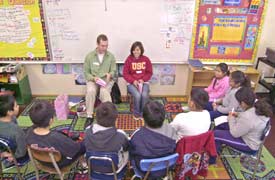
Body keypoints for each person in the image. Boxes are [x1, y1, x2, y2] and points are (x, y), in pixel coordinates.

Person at [26, 100, 85, 168]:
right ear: (51, 120)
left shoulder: (28, 132)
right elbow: (76, 148)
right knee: (83, 145)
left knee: (65, 138)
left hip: (41, 161)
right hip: (59, 163)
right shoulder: (57, 138)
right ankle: (84, 165)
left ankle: (70, 139)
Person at [214, 87, 273, 153]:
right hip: (251, 135)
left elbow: (234, 133)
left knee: (216, 135)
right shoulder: (257, 105)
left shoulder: (248, 117)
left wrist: (231, 118)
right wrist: (238, 114)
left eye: (239, 103)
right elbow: (250, 117)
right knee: (221, 126)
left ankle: (212, 158)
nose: (239, 105)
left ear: (243, 103)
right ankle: (216, 146)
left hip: (248, 145)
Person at [130, 101, 176, 178]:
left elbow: (131, 153)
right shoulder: (172, 131)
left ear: (143, 118)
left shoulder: (137, 135)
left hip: (143, 171)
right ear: (164, 117)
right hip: (165, 168)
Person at [84, 102, 129, 173]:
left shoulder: (87, 131)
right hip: (114, 170)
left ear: (96, 117)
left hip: (93, 168)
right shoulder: (121, 135)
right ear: (115, 119)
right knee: (127, 150)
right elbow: (127, 148)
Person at [84, 34, 117, 124]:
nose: (105, 48)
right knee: (90, 91)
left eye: (106, 46)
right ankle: (89, 115)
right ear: (97, 44)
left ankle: (109, 115)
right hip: (93, 79)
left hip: (106, 80)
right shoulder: (89, 56)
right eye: (102, 46)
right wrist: (93, 78)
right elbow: (86, 73)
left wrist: (110, 74)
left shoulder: (111, 56)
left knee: (104, 92)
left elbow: (114, 70)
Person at [123, 41, 153, 120]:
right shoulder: (129, 60)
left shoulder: (146, 59)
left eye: (138, 50)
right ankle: (136, 113)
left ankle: (143, 113)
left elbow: (149, 73)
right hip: (131, 83)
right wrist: (133, 81)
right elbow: (125, 74)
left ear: (141, 50)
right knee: (137, 95)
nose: (136, 52)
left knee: (144, 95)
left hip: (144, 82)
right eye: (134, 50)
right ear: (132, 50)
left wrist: (143, 80)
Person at [0, 95, 27, 162]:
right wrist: (13, 156)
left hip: (4, 146)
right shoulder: (17, 130)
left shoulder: (13, 118)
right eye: (16, 106)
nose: (18, 107)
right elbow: (22, 152)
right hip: (16, 151)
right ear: (9, 112)